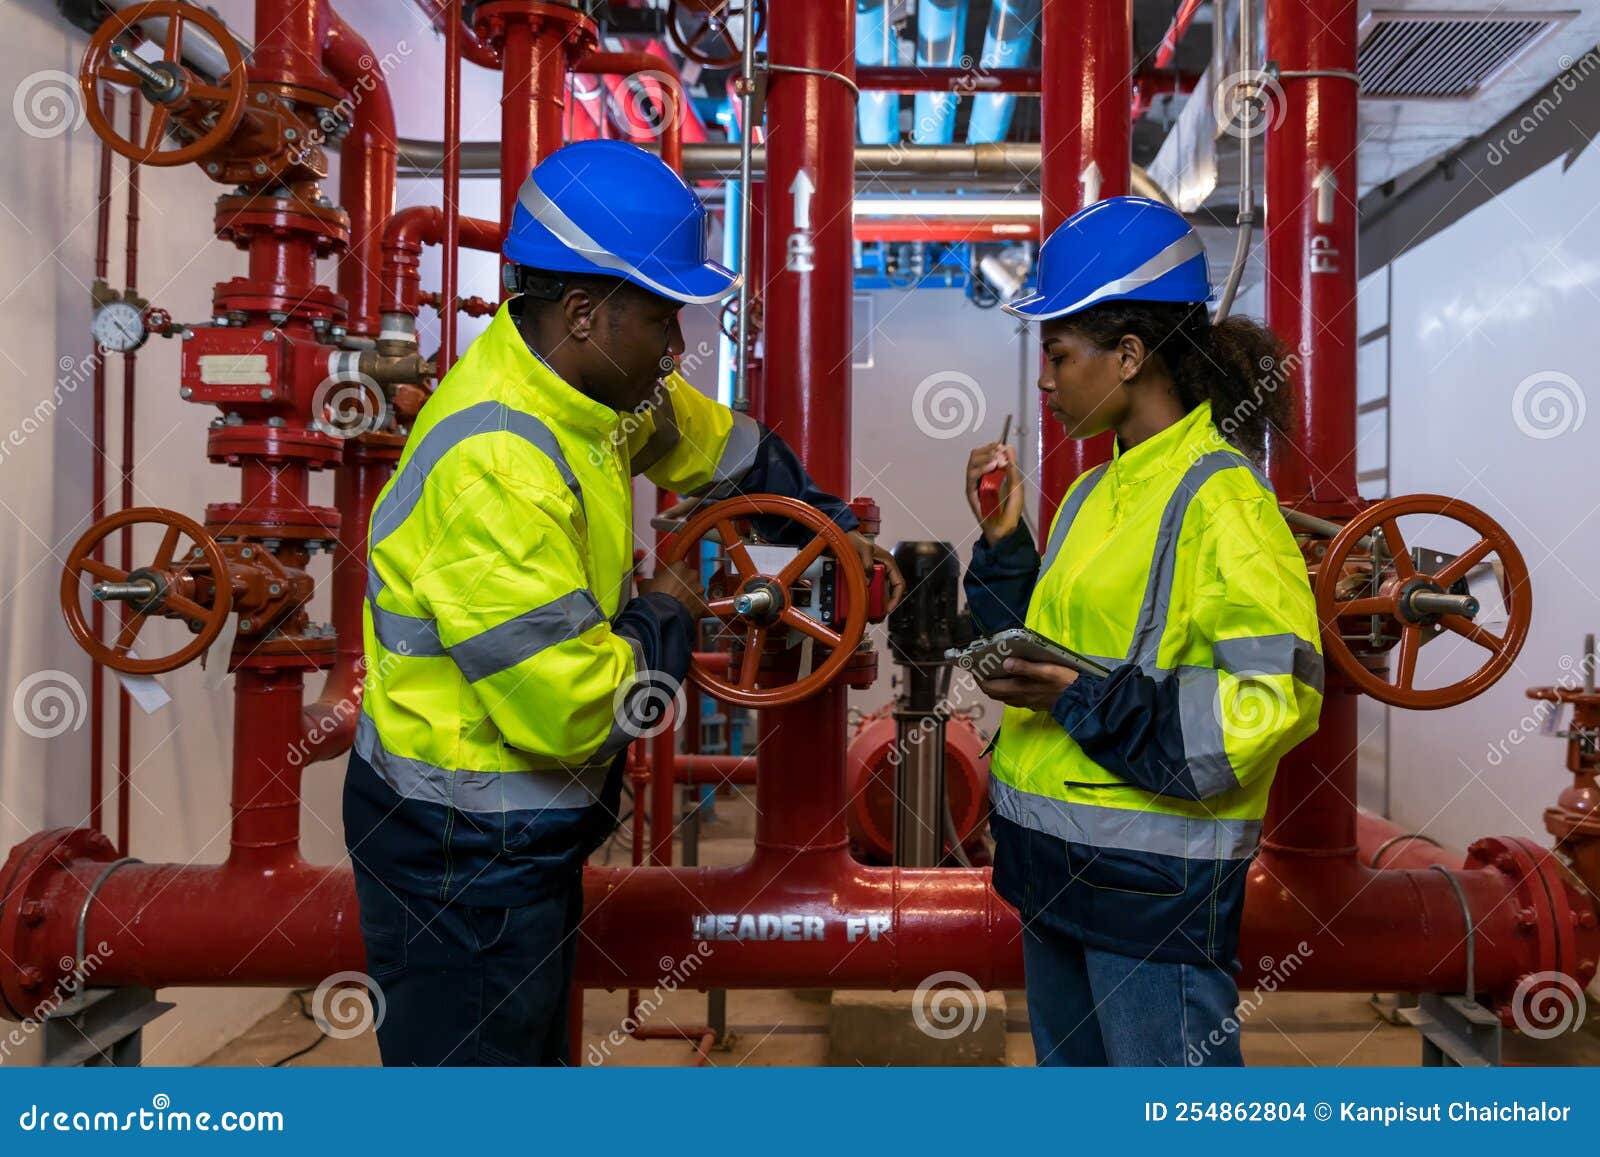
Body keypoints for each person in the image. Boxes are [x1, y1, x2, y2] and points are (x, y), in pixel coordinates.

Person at [344, 139, 904, 1067]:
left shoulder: (586, 392)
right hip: (459, 855)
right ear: (584, 312)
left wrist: (829, 525)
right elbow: (580, 709)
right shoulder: (496, 464)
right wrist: (670, 609)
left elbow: (720, 448)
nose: (677, 349)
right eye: (662, 320)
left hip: (513, 838)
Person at [961, 196, 1323, 1067]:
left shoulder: (1223, 500)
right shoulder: (1096, 491)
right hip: (1051, 878)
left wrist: (1089, 699)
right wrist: (1007, 543)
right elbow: (1047, 647)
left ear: (1128, 355)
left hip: (1150, 903)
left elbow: (1275, 702)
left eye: (1057, 354)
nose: (1044, 382)